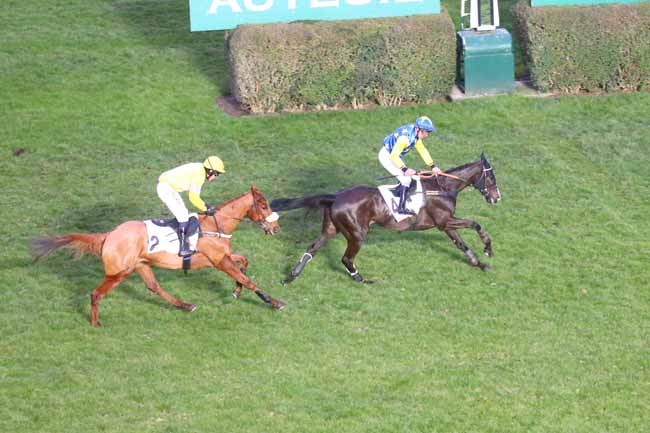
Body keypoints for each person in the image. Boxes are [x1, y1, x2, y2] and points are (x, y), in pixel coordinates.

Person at [157, 156, 225, 256]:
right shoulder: (199, 174)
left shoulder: (199, 169)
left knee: (184, 213)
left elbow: (194, 196)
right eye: (216, 173)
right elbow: (193, 197)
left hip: (169, 188)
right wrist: (206, 209)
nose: (216, 177)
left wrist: (206, 206)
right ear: (210, 171)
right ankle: (182, 248)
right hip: (166, 189)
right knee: (183, 216)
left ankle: (181, 239)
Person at [378, 116, 442, 215]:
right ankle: (401, 209)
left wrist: (433, 166)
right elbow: (393, 156)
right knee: (406, 179)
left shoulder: (415, 134)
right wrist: (405, 169)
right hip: (387, 157)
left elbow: (422, 150)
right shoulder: (405, 139)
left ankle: (398, 193)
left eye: (428, 132)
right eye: (426, 132)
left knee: (409, 178)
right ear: (418, 129)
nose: (427, 135)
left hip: (394, 156)